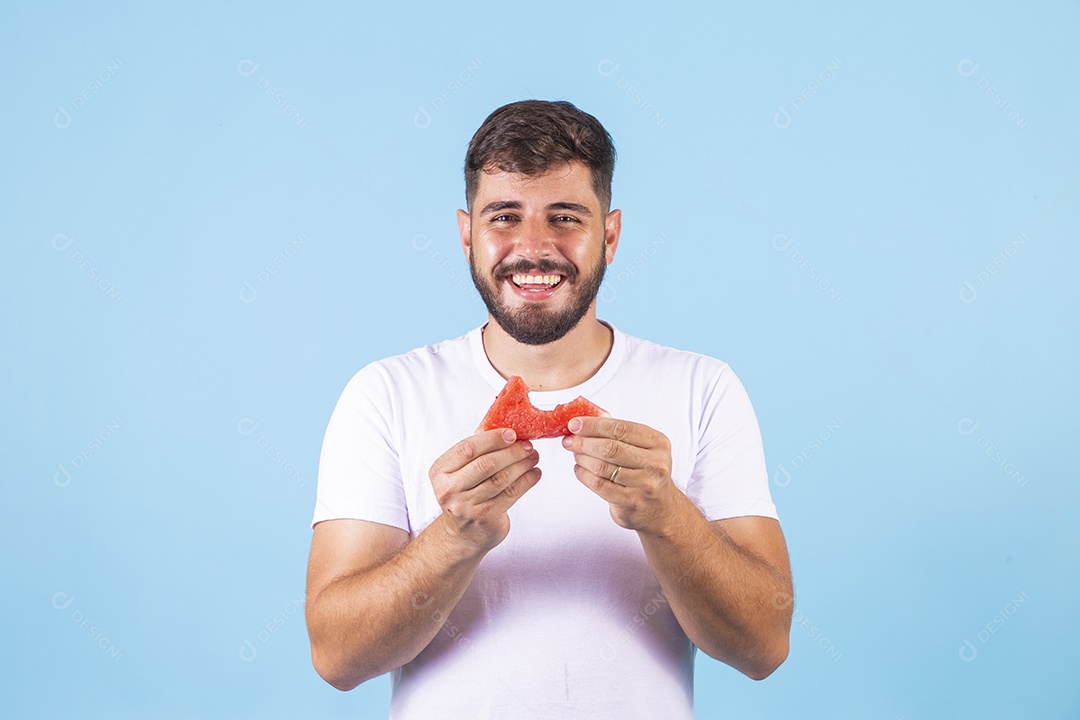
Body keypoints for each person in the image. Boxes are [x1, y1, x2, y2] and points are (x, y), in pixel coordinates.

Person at [305, 99, 793, 718]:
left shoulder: (703, 387)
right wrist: (455, 535)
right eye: (504, 216)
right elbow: (337, 657)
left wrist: (665, 513)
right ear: (466, 235)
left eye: (565, 217)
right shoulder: (385, 393)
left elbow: (764, 646)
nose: (533, 247)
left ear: (610, 235)